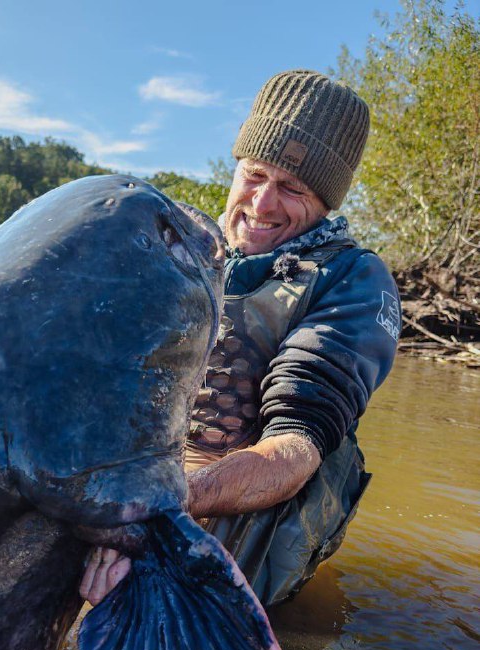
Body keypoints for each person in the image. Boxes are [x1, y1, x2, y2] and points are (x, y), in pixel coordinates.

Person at [81, 69, 400, 607]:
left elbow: (295, 447)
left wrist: (155, 512)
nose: (263, 204)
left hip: (236, 510)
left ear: (326, 201)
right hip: (135, 486)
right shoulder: (176, 245)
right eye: (254, 175)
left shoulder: (355, 280)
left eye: (292, 188)